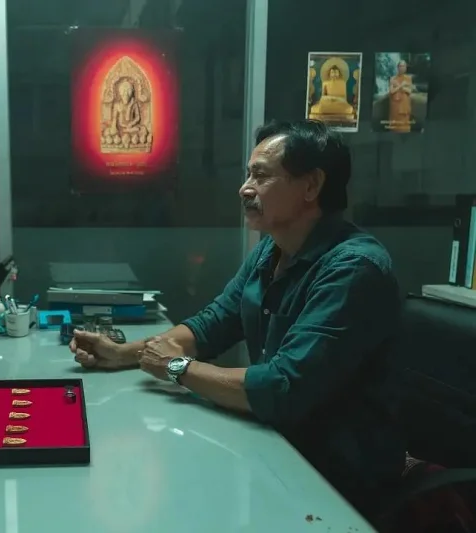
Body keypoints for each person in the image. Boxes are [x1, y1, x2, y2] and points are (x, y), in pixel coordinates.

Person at [70, 119, 405, 516]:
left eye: (260, 176)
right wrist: (122, 354)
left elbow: (281, 388)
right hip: (276, 446)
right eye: (248, 175)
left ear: (311, 185)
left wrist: (177, 368)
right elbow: (213, 323)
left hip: (335, 478)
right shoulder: (270, 251)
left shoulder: (354, 268)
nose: (245, 188)